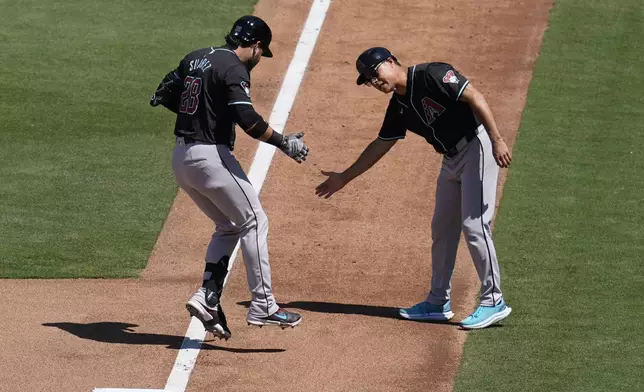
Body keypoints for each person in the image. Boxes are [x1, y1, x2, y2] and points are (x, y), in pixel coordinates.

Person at [315, 47, 512, 329]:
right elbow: (380, 144)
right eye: (368, 80)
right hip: (450, 159)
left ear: (392, 62)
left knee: (474, 225)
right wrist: (345, 177)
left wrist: (497, 140)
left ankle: (494, 301)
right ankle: (437, 302)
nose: (373, 81)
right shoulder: (398, 107)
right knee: (442, 228)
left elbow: (475, 97)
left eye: (374, 73)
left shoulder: (432, 74)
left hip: (477, 146)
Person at [150, 15, 307, 340]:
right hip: (211, 158)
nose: (260, 59)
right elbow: (247, 119)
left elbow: (163, 94)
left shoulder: (195, 57)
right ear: (255, 45)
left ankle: (208, 297)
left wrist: (201, 113)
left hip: (181, 159)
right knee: (254, 221)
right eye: (262, 52)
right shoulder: (234, 67)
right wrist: (284, 142)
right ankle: (264, 305)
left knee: (230, 225)